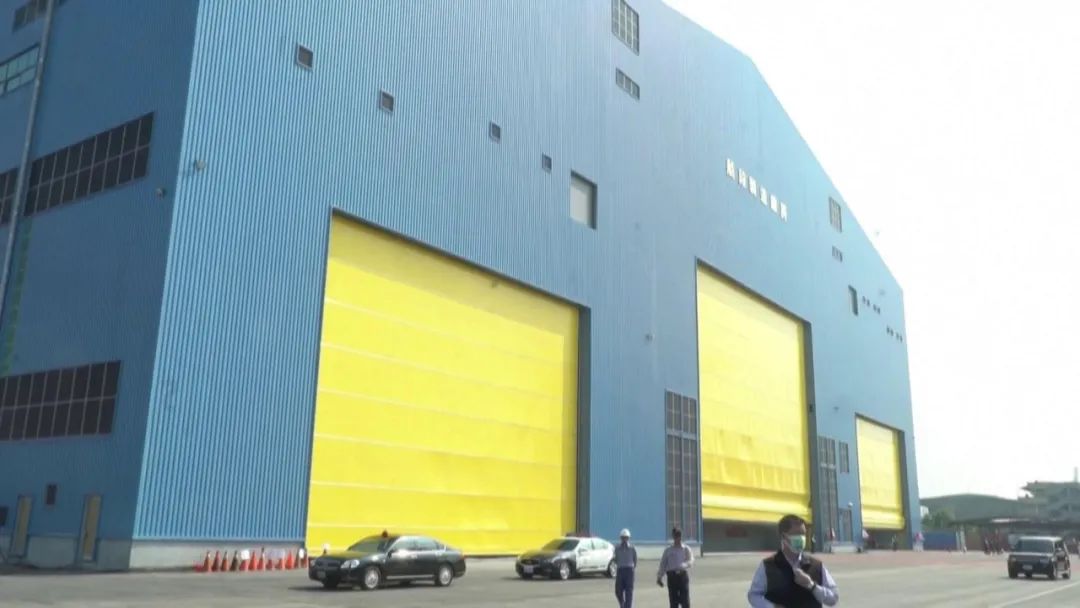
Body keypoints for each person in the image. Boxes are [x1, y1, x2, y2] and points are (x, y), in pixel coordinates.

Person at [748, 514, 839, 607]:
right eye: (797, 534)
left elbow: (833, 598)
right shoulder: (768, 565)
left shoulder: (816, 565)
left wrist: (812, 586)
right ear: (783, 536)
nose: (801, 538)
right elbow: (754, 595)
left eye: (803, 534)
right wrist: (772, 606)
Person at [657, 527, 693, 608]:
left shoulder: (686, 549)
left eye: (679, 535)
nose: (678, 538)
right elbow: (663, 564)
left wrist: (685, 564)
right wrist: (659, 577)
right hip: (672, 577)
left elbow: (691, 559)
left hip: (682, 576)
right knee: (673, 601)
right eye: (676, 535)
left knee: (685, 601)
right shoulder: (668, 550)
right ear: (673, 536)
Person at [613, 528, 637, 608]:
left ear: (628, 538)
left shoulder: (632, 548)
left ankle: (628, 607)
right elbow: (615, 559)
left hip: (629, 571)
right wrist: (619, 565)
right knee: (618, 591)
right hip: (620, 570)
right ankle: (622, 604)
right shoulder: (617, 548)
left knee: (629, 592)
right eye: (623, 537)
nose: (624, 539)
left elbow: (635, 559)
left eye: (626, 537)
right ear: (621, 538)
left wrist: (632, 568)